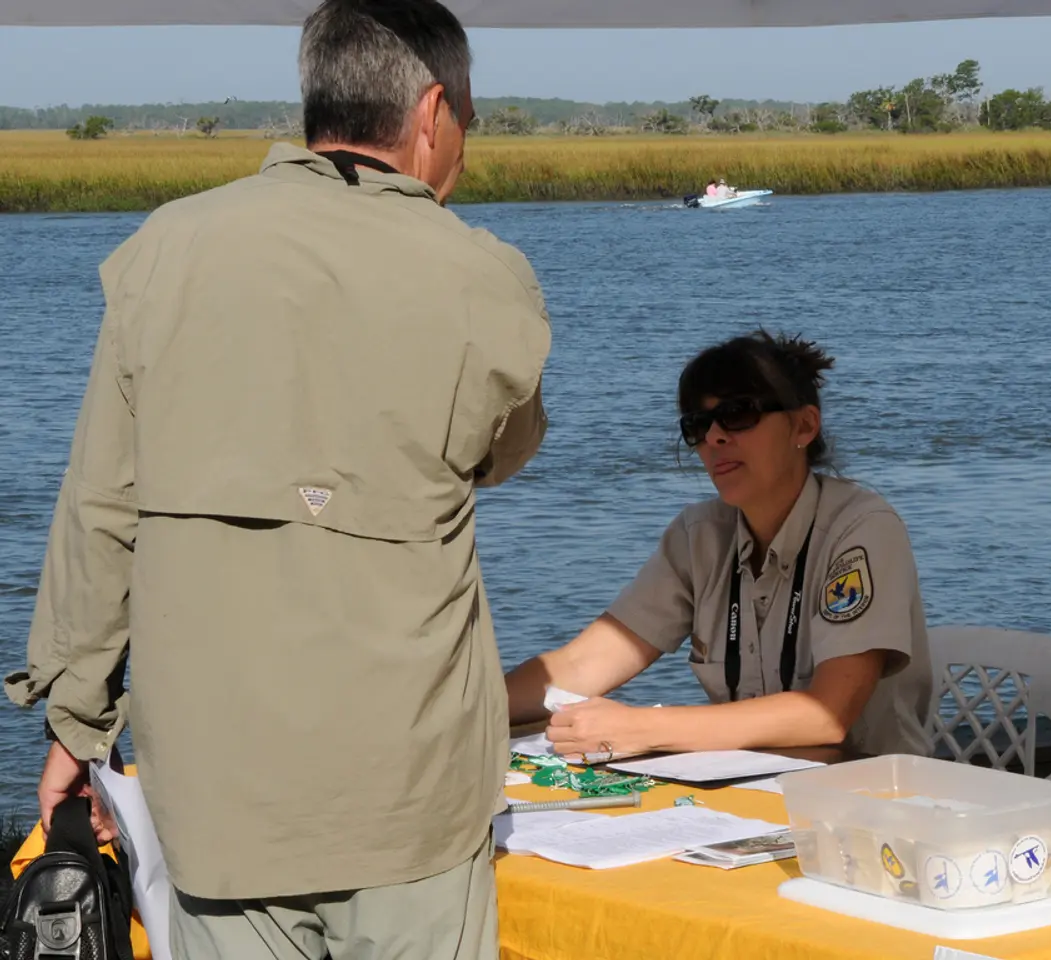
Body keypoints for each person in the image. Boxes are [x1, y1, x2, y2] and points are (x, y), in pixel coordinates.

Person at [4, 1, 550, 958]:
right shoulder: (480, 273)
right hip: (411, 792)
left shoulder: (165, 250)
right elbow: (506, 451)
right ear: (433, 112)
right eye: (469, 119)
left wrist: (77, 725)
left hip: (219, 795)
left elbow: (100, 511)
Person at [505, 331, 933, 761]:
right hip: (748, 789)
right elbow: (582, 664)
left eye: (737, 414)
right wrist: (473, 712)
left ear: (804, 425)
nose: (714, 438)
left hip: (872, 790)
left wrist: (639, 728)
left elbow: (828, 715)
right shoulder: (698, 536)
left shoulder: (862, 529)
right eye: (698, 424)